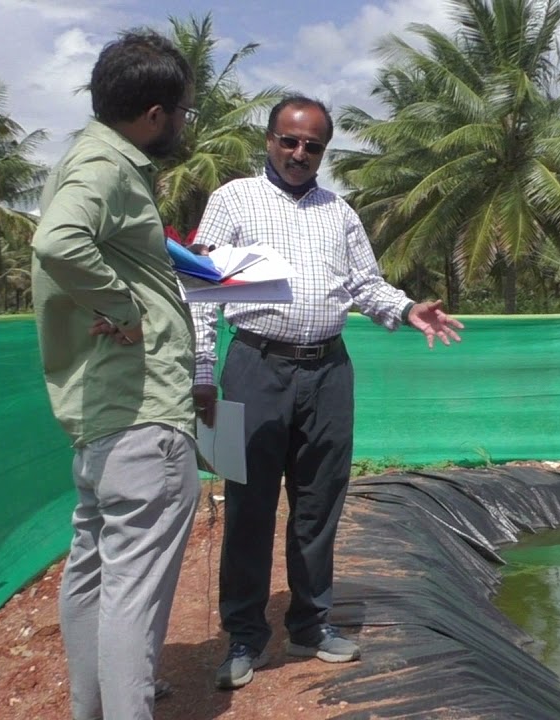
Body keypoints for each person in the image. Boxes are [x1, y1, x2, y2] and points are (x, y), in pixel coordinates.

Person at [189, 95, 464, 690]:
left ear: (323, 151)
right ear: (269, 139)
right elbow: (200, 288)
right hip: (254, 367)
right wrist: (203, 371)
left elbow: (364, 284)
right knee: (248, 505)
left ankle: (310, 625)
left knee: (319, 504)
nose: (299, 153)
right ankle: (244, 634)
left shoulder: (338, 211)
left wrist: (409, 308)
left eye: (313, 145)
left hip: (329, 372)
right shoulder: (233, 199)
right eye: (289, 141)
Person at [30, 30, 199, 720]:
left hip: (103, 415)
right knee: (132, 589)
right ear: (155, 114)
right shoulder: (106, 168)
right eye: (183, 111)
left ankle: (91, 709)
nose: (185, 123)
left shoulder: (83, 156)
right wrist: (126, 308)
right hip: (143, 412)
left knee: (94, 572)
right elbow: (58, 240)